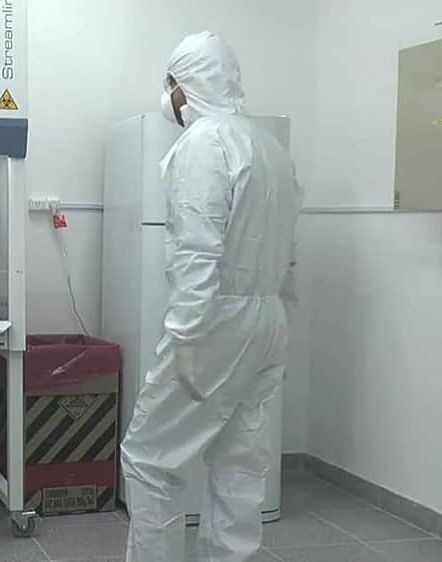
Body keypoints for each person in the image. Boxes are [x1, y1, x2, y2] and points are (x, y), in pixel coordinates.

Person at [121, 31, 302, 562]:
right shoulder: (268, 147)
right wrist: (278, 312)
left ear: (188, 84)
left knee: (150, 457)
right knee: (240, 457)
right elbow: (288, 246)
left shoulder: (204, 143)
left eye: (171, 83)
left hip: (217, 318)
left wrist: (186, 336)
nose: (169, 96)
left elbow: (198, 249)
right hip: (267, 317)